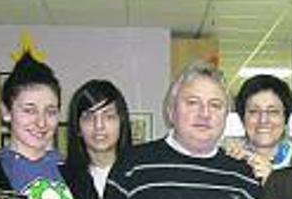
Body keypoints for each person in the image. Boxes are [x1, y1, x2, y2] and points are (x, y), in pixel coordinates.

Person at [104, 62, 261, 199]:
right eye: (193, 103)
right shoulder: (132, 166)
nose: (204, 114)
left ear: (226, 115)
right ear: (171, 111)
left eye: (215, 105)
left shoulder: (244, 175)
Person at [0, 52, 74, 199]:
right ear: (6, 112)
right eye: (29, 110)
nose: (41, 122)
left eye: (50, 112)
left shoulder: (77, 177)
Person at [63, 80, 132, 198]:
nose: (99, 125)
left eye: (108, 116)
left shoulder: (141, 174)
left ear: (121, 122)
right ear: (78, 127)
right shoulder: (61, 180)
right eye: (89, 117)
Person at [224, 74, 292, 176]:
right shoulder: (230, 156)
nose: (263, 120)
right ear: (242, 117)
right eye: (254, 111)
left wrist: (272, 180)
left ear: (285, 117)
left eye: (273, 111)